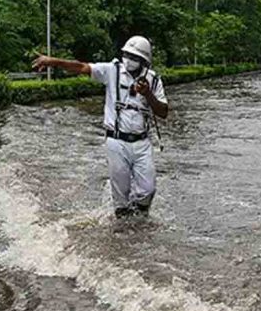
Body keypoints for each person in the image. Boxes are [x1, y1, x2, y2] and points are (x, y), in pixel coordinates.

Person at [32, 36, 169, 219]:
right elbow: (82, 67)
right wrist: (53, 62)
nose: (129, 60)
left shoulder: (153, 80)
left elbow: (163, 112)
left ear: (144, 61)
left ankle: (140, 220)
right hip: (116, 142)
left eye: (134, 57)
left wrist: (148, 94)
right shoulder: (112, 71)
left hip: (142, 143)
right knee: (121, 195)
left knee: (148, 190)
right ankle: (124, 226)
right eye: (127, 55)